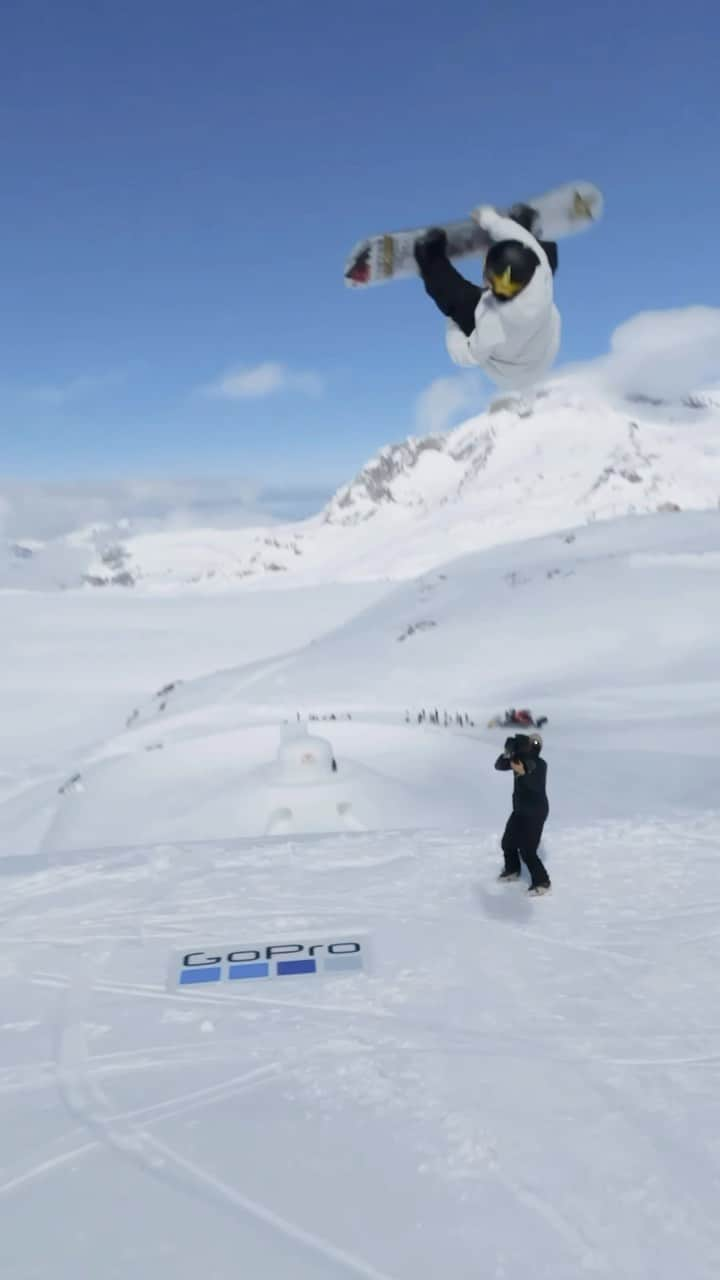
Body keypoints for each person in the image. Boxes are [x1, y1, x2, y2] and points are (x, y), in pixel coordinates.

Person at [414, 204, 560, 389]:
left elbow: (465, 355)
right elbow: (524, 241)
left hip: (511, 373)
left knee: (458, 300)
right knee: (540, 251)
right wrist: (491, 221)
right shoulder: (540, 271)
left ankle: (430, 256)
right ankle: (522, 224)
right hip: (543, 351)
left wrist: (454, 323)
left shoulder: (491, 324)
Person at [494, 732, 551, 896]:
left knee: (527, 850)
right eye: (529, 742)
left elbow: (535, 785)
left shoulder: (540, 764)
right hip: (519, 811)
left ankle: (542, 881)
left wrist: (523, 772)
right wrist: (508, 753)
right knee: (508, 842)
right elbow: (498, 765)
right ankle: (512, 870)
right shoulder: (517, 760)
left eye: (535, 743)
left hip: (536, 812)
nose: (532, 746)